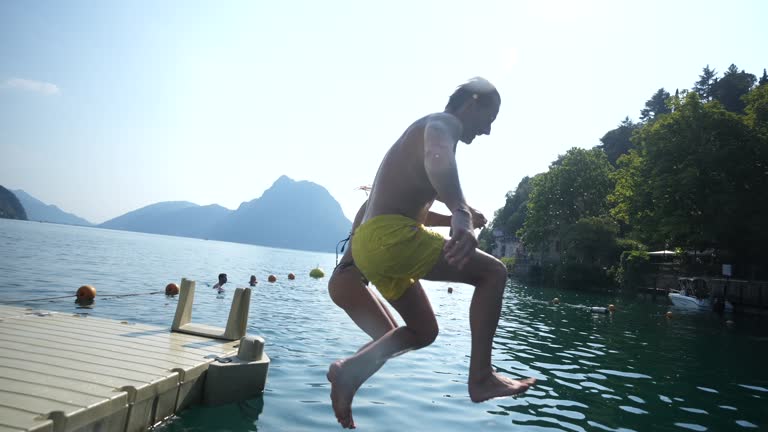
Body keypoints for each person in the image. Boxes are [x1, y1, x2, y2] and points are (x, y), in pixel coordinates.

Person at [327, 78, 535, 428]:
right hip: (390, 237)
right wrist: (461, 213)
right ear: (471, 103)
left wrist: (459, 211)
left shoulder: (416, 135)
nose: (487, 130)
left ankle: (351, 372)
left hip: (368, 246)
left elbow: (424, 181)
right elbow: (437, 154)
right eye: (489, 117)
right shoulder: (442, 123)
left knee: (423, 331)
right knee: (494, 273)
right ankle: (481, 376)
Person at [329, 200, 486, 342]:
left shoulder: (380, 205)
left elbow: (418, 218)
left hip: (346, 279)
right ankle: (342, 372)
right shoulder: (378, 205)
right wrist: (456, 219)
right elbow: (423, 217)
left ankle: (345, 371)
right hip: (347, 279)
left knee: (389, 340)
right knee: (389, 342)